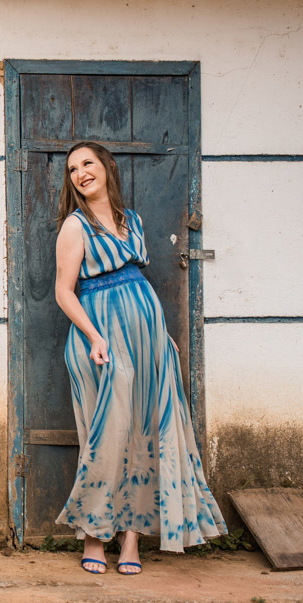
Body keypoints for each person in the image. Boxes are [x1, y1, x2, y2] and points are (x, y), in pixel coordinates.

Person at [53, 142, 226, 575]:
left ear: (107, 167)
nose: (80, 173)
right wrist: (93, 335)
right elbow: (63, 291)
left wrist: (162, 335)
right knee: (107, 433)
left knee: (147, 431)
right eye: (73, 169)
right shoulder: (75, 227)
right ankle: (95, 534)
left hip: (147, 337)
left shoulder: (134, 222)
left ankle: (131, 538)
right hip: (100, 339)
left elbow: (136, 282)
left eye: (87, 163)